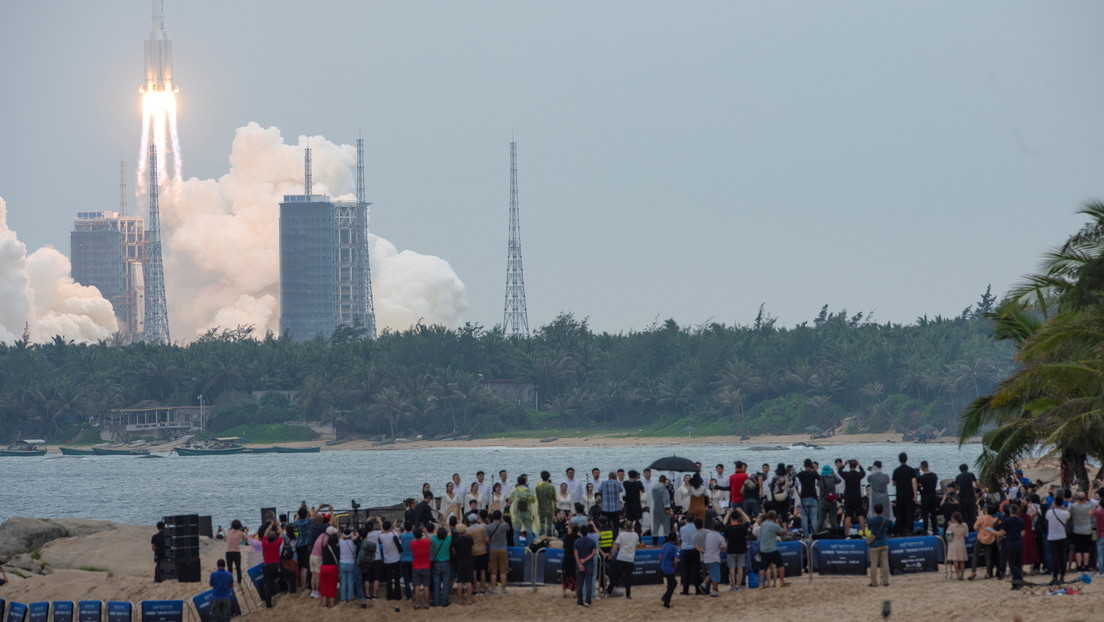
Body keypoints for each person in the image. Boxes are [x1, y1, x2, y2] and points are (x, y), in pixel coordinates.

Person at [609, 519, 640, 598]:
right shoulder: (635, 535)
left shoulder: (621, 534)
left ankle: (609, 590)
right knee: (628, 577)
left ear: (625, 527)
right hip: (630, 558)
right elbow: (637, 544)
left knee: (615, 575)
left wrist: (611, 554)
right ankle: (628, 594)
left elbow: (616, 545)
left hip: (621, 557)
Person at [757, 510, 787, 589]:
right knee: (780, 564)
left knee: (763, 567)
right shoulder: (774, 525)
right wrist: (784, 526)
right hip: (772, 549)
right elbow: (783, 533)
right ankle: (782, 581)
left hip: (763, 549)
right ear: (774, 517)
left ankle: (761, 584)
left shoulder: (763, 524)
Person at [723, 506, 750, 590]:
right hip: (741, 549)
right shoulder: (742, 527)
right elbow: (748, 521)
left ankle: (733, 586)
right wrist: (742, 512)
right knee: (740, 568)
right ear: (739, 518)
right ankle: (740, 585)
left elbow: (724, 521)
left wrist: (728, 513)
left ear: (731, 518)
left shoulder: (728, 528)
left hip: (731, 550)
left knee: (732, 568)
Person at [892, 452, 918, 537]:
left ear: (899, 460)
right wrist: (915, 494)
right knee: (910, 512)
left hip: (900, 494)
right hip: (909, 494)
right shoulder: (911, 470)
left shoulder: (896, 471)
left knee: (900, 512)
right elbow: (914, 482)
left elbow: (894, 483)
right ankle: (909, 530)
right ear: (906, 459)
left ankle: (900, 530)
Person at [698, 518, 726, 597]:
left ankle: (703, 584)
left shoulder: (709, 535)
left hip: (706, 557)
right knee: (716, 576)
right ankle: (713, 591)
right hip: (714, 558)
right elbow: (723, 549)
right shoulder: (720, 537)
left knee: (712, 574)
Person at [1068, 491, 1094, 572]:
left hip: (1077, 530)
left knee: (1078, 549)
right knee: (1086, 549)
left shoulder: (1073, 506)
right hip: (1087, 530)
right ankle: (1086, 565)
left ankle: (1079, 566)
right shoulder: (1088, 506)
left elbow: (1069, 514)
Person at [839, 460, 867, 534]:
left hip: (848, 497)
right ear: (856, 466)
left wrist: (843, 465)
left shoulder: (846, 474)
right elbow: (864, 472)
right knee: (860, 515)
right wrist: (860, 466)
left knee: (848, 516)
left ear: (849, 466)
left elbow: (839, 471)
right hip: (857, 497)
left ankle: (846, 532)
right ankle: (864, 532)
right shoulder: (859, 474)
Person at [260, 522, 283, 608]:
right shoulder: (276, 544)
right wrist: (277, 525)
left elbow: (265, 533)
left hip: (267, 567)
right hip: (275, 566)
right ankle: (291, 590)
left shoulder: (264, 544)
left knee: (268, 585)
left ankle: (268, 604)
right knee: (289, 574)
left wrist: (270, 525)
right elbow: (281, 533)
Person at [485, 511, 509, 594]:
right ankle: (503, 589)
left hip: (493, 549)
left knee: (493, 571)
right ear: (500, 517)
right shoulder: (504, 525)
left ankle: (494, 589)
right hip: (503, 549)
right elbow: (508, 527)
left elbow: (487, 540)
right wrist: (502, 519)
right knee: (503, 570)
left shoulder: (489, 527)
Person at [575, 524, 598, 608]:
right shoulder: (592, 542)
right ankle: (588, 601)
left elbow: (576, 554)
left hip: (580, 565)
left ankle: (580, 601)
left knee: (579, 584)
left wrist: (579, 563)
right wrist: (585, 560)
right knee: (589, 583)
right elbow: (593, 553)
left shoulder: (577, 542)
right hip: (589, 565)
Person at [867, 503, 890, 587]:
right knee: (885, 563)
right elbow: (888, 528)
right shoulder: (886, 520)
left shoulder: (871, 520)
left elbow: (869, 528)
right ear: (882, 510)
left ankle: (873, 582)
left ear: (874, 510)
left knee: (874, 564)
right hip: (884, 542)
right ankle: (885, 581)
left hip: (875, 544)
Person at [451, 523, 474, 605]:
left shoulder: (455, 541)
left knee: (460, 581)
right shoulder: (469, 539)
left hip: (460, 560)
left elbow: (453, 551)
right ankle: (469, 599)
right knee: (468, 581)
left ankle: (460, 599)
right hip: (468, 560)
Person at [795, 459, 820, 536]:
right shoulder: (814, 473)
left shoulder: (801, 474)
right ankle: (814, 534)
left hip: (804, 496)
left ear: (804, 465)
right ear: (811, 465)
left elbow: (795, 478)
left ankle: (806, 535)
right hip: (813, 496)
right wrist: (814, 469)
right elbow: (820, 479)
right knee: (814, 517)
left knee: (804, 517)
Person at [678, 517, 703, 595]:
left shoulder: (682, 528)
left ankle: (685, 590)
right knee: (696, 571)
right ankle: (697, 590)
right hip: (694, 549)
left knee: (686, 571)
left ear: (686, 520)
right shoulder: (696, 528)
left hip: (685, 550)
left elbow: (681, 538)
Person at [409, 526, 431, 610]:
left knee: (417, 586)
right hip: (426, 566)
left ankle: (417, 604)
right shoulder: (426, 541)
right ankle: (426, 604)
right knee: (426, 586)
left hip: (416, 566)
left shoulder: (412, 543)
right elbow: (429, 540)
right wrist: (426, 532)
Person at [1004, 503, 1026, 589]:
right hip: (1019, 543)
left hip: (1010, 543)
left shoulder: (1007, 521)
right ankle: (1017, 581)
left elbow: (1003, 532)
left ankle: (1017, 581)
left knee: (1012, 564)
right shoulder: (1021, 520)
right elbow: (1023, 533)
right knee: (1018, 563)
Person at [917, 461, 940, 535]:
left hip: (925, 497)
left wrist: (921, 491)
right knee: (933, 514)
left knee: (925, 515)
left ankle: (925, 530)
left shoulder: (922, 477)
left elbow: (919, 486)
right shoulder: (934, 476)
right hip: (933, 496)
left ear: (922, 467)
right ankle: (935, 530)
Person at [319, 527, 339, 609]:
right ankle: (331, 604)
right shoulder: (337, 549)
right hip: (332, 568)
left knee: (323, 585)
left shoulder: (324, 547)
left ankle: (324, 604)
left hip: (323, 567)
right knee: (332, 585)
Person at [817, 464, 841, 532]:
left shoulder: (821, 478)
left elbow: (817, 485)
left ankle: (818, 532)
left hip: (823, 501)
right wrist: (833, 473)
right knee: (833, 519)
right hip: (832, 500)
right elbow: (839, 480)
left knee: (821, 519)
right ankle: (835, 533)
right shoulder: (833, 477)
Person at [945, 511, 968, 580]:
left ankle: (958, 575)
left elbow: (948, 537)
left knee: (955, 560)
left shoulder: (951, 526)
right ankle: (962, 575)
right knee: (962, 560)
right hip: (961, 543)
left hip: (953, 544)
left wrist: (949, 526)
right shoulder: (964, 525)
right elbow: (966, 535)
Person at [659, 532, 679, 608]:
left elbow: (660, 556)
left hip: (663, 567)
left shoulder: (664, 545)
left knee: (673, 583)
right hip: (669, 569)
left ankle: (665, 596)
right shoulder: (674, 547)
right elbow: (676, 560)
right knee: (671, 586)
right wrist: (675, 567)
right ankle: (666, 603)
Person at [956, 464, 980, 529]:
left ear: (960, 470)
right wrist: (977, 489)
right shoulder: (971, 474)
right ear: (967, 468)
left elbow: (957, 488)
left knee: (964, 513)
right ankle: (973, 527)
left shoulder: (958, 476)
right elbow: (977, 484)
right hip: (971, 496)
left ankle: (966, 527)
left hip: (962, 497)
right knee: (972, 512)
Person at [223, 520, 247, 584]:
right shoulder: (240, 533)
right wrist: (246, 532)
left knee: (229, 568)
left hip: (228, 552)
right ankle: (239, 582)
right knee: (238, 568)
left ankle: (230, 582)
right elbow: (246, 538)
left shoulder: (229, 532)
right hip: (236, 552)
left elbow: (226, 538)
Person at [535, 471, 557, 536]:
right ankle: (549, 535)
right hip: (549, 507)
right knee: (549, 523)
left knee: (542, 522)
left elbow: (538, 497)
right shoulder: (551, 487)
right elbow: (554, 498)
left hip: (541, 507)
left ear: (541, 477)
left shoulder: (538, 487)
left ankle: (542, 535)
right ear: (549, 477)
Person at [651, 475, 672, 539]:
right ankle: (666, 539)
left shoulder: (654, 488)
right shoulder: (664, 488)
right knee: (666, 525)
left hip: (656, 508)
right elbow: (665, 499)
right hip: (663, 509)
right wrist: (667, 509)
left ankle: (655, 540)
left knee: (656, 525)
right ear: (665, 481)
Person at [561, 522, 579, 597]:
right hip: (575, 558)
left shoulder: (567, 537)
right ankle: (574, 591)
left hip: (567, 557)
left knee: (566, 574)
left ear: (571, 529)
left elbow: (564, 546)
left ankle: (564, 591)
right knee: (574, 574)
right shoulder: (578, 538)